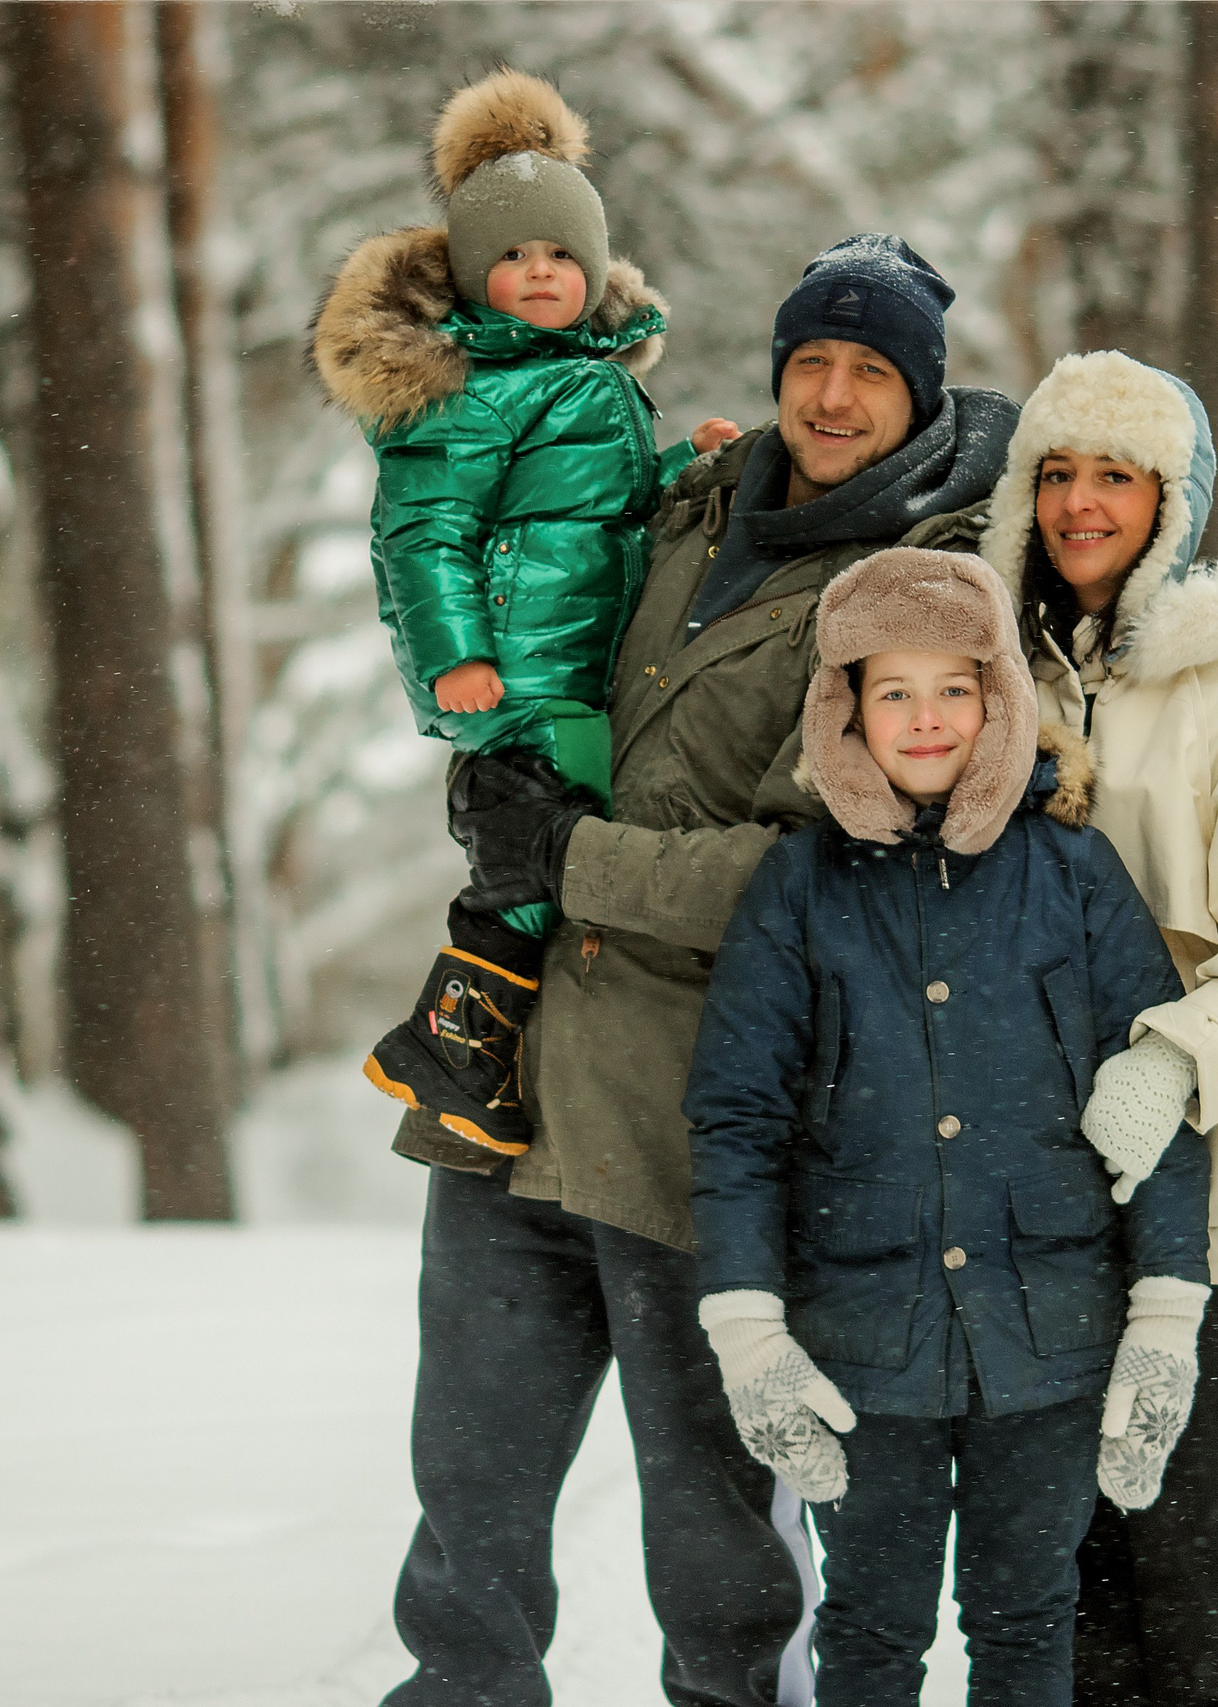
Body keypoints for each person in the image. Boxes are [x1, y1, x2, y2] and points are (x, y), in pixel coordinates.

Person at [377, 236, 1020, 1706]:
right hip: (512, 1086)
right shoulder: (694, 500)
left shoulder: (918, 600)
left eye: (871, 370)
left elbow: (819, 874)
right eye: (811, 361)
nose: (834, 394)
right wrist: (499, 778)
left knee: (721, 1551)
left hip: (705, 1124)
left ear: (919, 395)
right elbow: (535, 604)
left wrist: (573, 858)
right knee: (465, 1512)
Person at [681, 547, 1215, 1707]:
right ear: (846, 712)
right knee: (870, 1635)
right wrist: (749, 1336)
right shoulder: (797, 888)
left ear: (1000, 701)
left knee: (1027, 1626)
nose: (925, 720)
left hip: (1053, 1343)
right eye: (892, 692)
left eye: (953, 689)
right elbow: (735, 1119)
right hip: (861, 1343)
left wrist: (1165, 1316)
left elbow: (1155, 1096)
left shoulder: (1073, 874)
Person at [977, 350, 1218, 1707]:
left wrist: (1175, 1056)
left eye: (1118, 476)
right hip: (1050, 1195)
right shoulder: (998, 676)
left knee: (1202, 1558)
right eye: (1059, 471)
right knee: (1074, 1572)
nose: (1084, 502)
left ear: (1172, 500)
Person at [311, 68, 740, 1161]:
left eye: (557, 254)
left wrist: (690, 466)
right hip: (520, 670)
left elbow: (618, 515)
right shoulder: (470, 391)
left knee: (563, 853)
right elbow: (419, 535)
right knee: (548, 854)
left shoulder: (587, 376)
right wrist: (455, 655)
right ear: (471, 278)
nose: (537, 272)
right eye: (510, 257)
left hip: (584, 660)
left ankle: (475, 1045)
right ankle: (451, 1045)